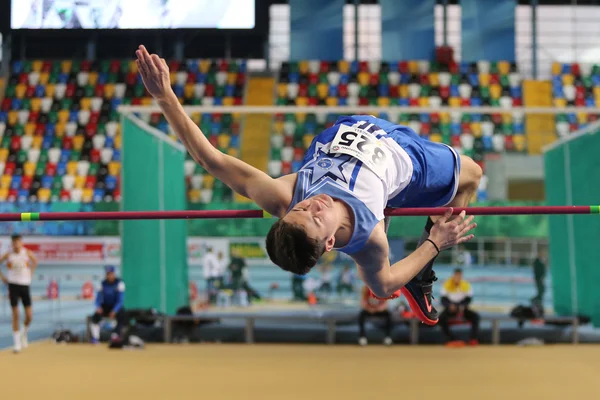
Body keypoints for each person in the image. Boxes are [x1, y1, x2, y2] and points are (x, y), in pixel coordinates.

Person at [135, 45, 481, 325]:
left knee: (403, 177)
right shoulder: (370, 241)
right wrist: (434, 244)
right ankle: (423, 278)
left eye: (301, 209)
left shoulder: (284, 196)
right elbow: (384, 285)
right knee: (473, 174)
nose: (314, 205)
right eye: (315, 218)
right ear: (330, 242)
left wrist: (164, 97)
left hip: (361, 127)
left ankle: (405, 241)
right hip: (405, 159)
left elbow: (212, 160)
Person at [0, 234, 37, 353]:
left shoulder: (27, 253)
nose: (16, 245)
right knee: (15, 314)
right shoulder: (8, 254)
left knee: (29, 315)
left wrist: (30, 274)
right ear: (12, 243)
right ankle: (16, 343)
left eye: (18, 242)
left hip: (25, 285)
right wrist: (2, 277)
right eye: (14, 243)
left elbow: (35, 262)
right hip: (13, 285)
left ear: (21, 242)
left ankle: (23, 333)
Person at [438, 268, 480, 346]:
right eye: (456, 276)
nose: (458, 278)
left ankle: (473, 339)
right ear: (453, 276)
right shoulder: (447, 284)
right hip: (451, 308)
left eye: (459, 276)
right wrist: (449, 305)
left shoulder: (465, 284)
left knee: (476, 317)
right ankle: (450, 339)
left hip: (463, 309)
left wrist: (462, 306)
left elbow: (468, 299)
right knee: (441, 318)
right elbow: (443, 299)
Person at [89, 266, 127, 344]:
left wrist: (114, 310)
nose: (109, 275)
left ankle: (115, 336)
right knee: (94, 318)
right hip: (105, 306)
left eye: (111, 274)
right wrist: (98, 306)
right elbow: (98, 298)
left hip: (115, 306)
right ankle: (95, 338)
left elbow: (120, 300)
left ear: (114, 274)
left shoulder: (120, 283)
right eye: (108, 274)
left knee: (123, 316)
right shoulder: (102, 284)